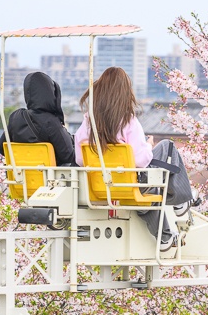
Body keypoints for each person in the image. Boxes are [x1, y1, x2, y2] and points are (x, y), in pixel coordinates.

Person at [74, 67, 198, 251]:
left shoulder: (88, 122)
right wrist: (148, 145)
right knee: (166, 147)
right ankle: (180, 201)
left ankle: (164, 237)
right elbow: (141, 160)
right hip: (130, 184)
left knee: (147, 192)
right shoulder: (128, 121)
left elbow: (79, 159)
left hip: (101, 186)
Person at [0, 71, 76, 166]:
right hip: (49, 179)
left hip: (22, 178)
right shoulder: (50, 121)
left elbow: (1, 147)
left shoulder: (16, 117)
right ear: (49, 93)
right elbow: (68, 155)